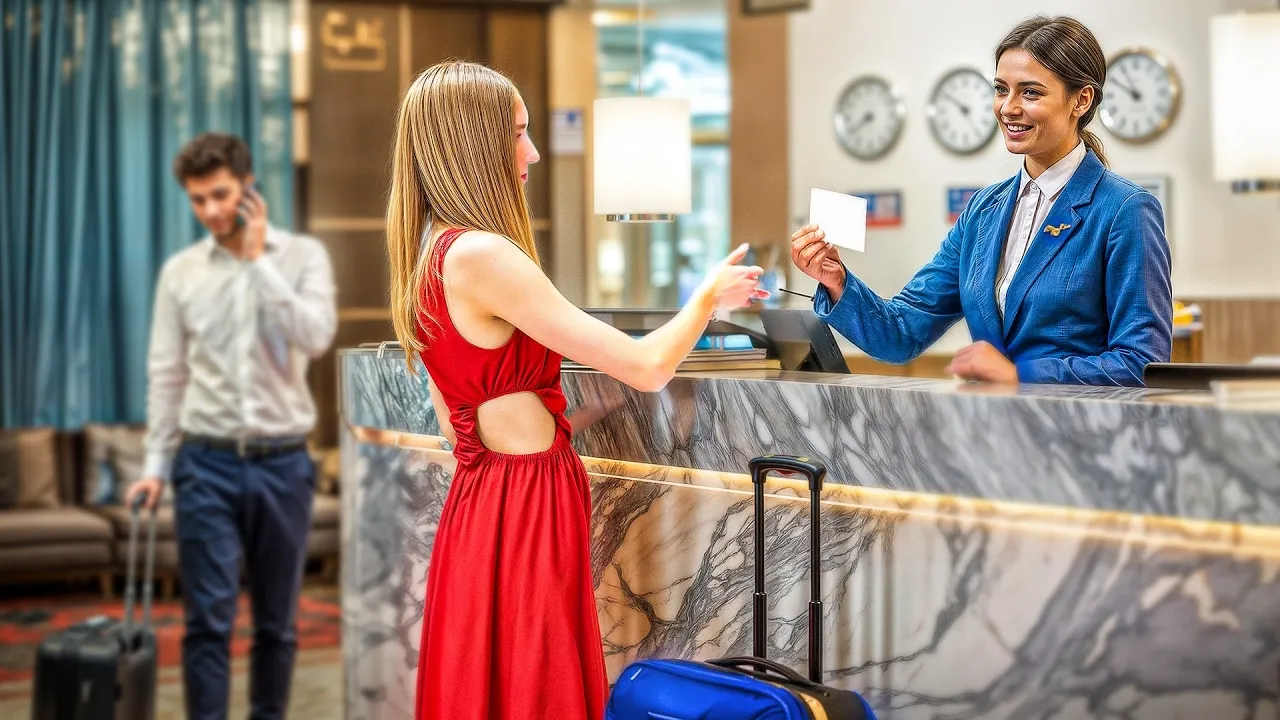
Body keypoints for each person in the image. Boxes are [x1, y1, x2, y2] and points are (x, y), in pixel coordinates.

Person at [384, 61, 766, 720]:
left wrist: (571, 413)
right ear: (474, 146)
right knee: (537, 683)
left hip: (483, 503)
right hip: (525, 501)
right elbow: (648, 366)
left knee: (491, 680)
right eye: (518, 133)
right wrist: (707, 296)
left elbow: (458, 423)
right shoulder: (483, 254)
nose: (532, 153)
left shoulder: (432, 254)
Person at [791, 16, 1172, 387]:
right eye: (1001, 89)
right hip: (989, 425)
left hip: (1076, 428)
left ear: (1081, 100)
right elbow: (901, 334)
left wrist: (1020, 375)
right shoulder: (982, 211)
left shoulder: (1125, 209)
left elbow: (1141, 362)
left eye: (1030, 92)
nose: (1008, 107)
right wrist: (837, 281)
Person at [126, 132, 337, 720]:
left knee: (277, 625)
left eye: (220, 194)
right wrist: (154, 467)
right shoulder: (181, 274)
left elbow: (317, 336)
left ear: (248, 187)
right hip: (206, 465)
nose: (211, 210)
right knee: (207, 623)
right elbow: (166, 374)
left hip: (285, 465)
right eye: (198, 200)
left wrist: (258, 262)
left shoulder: (302, 257)